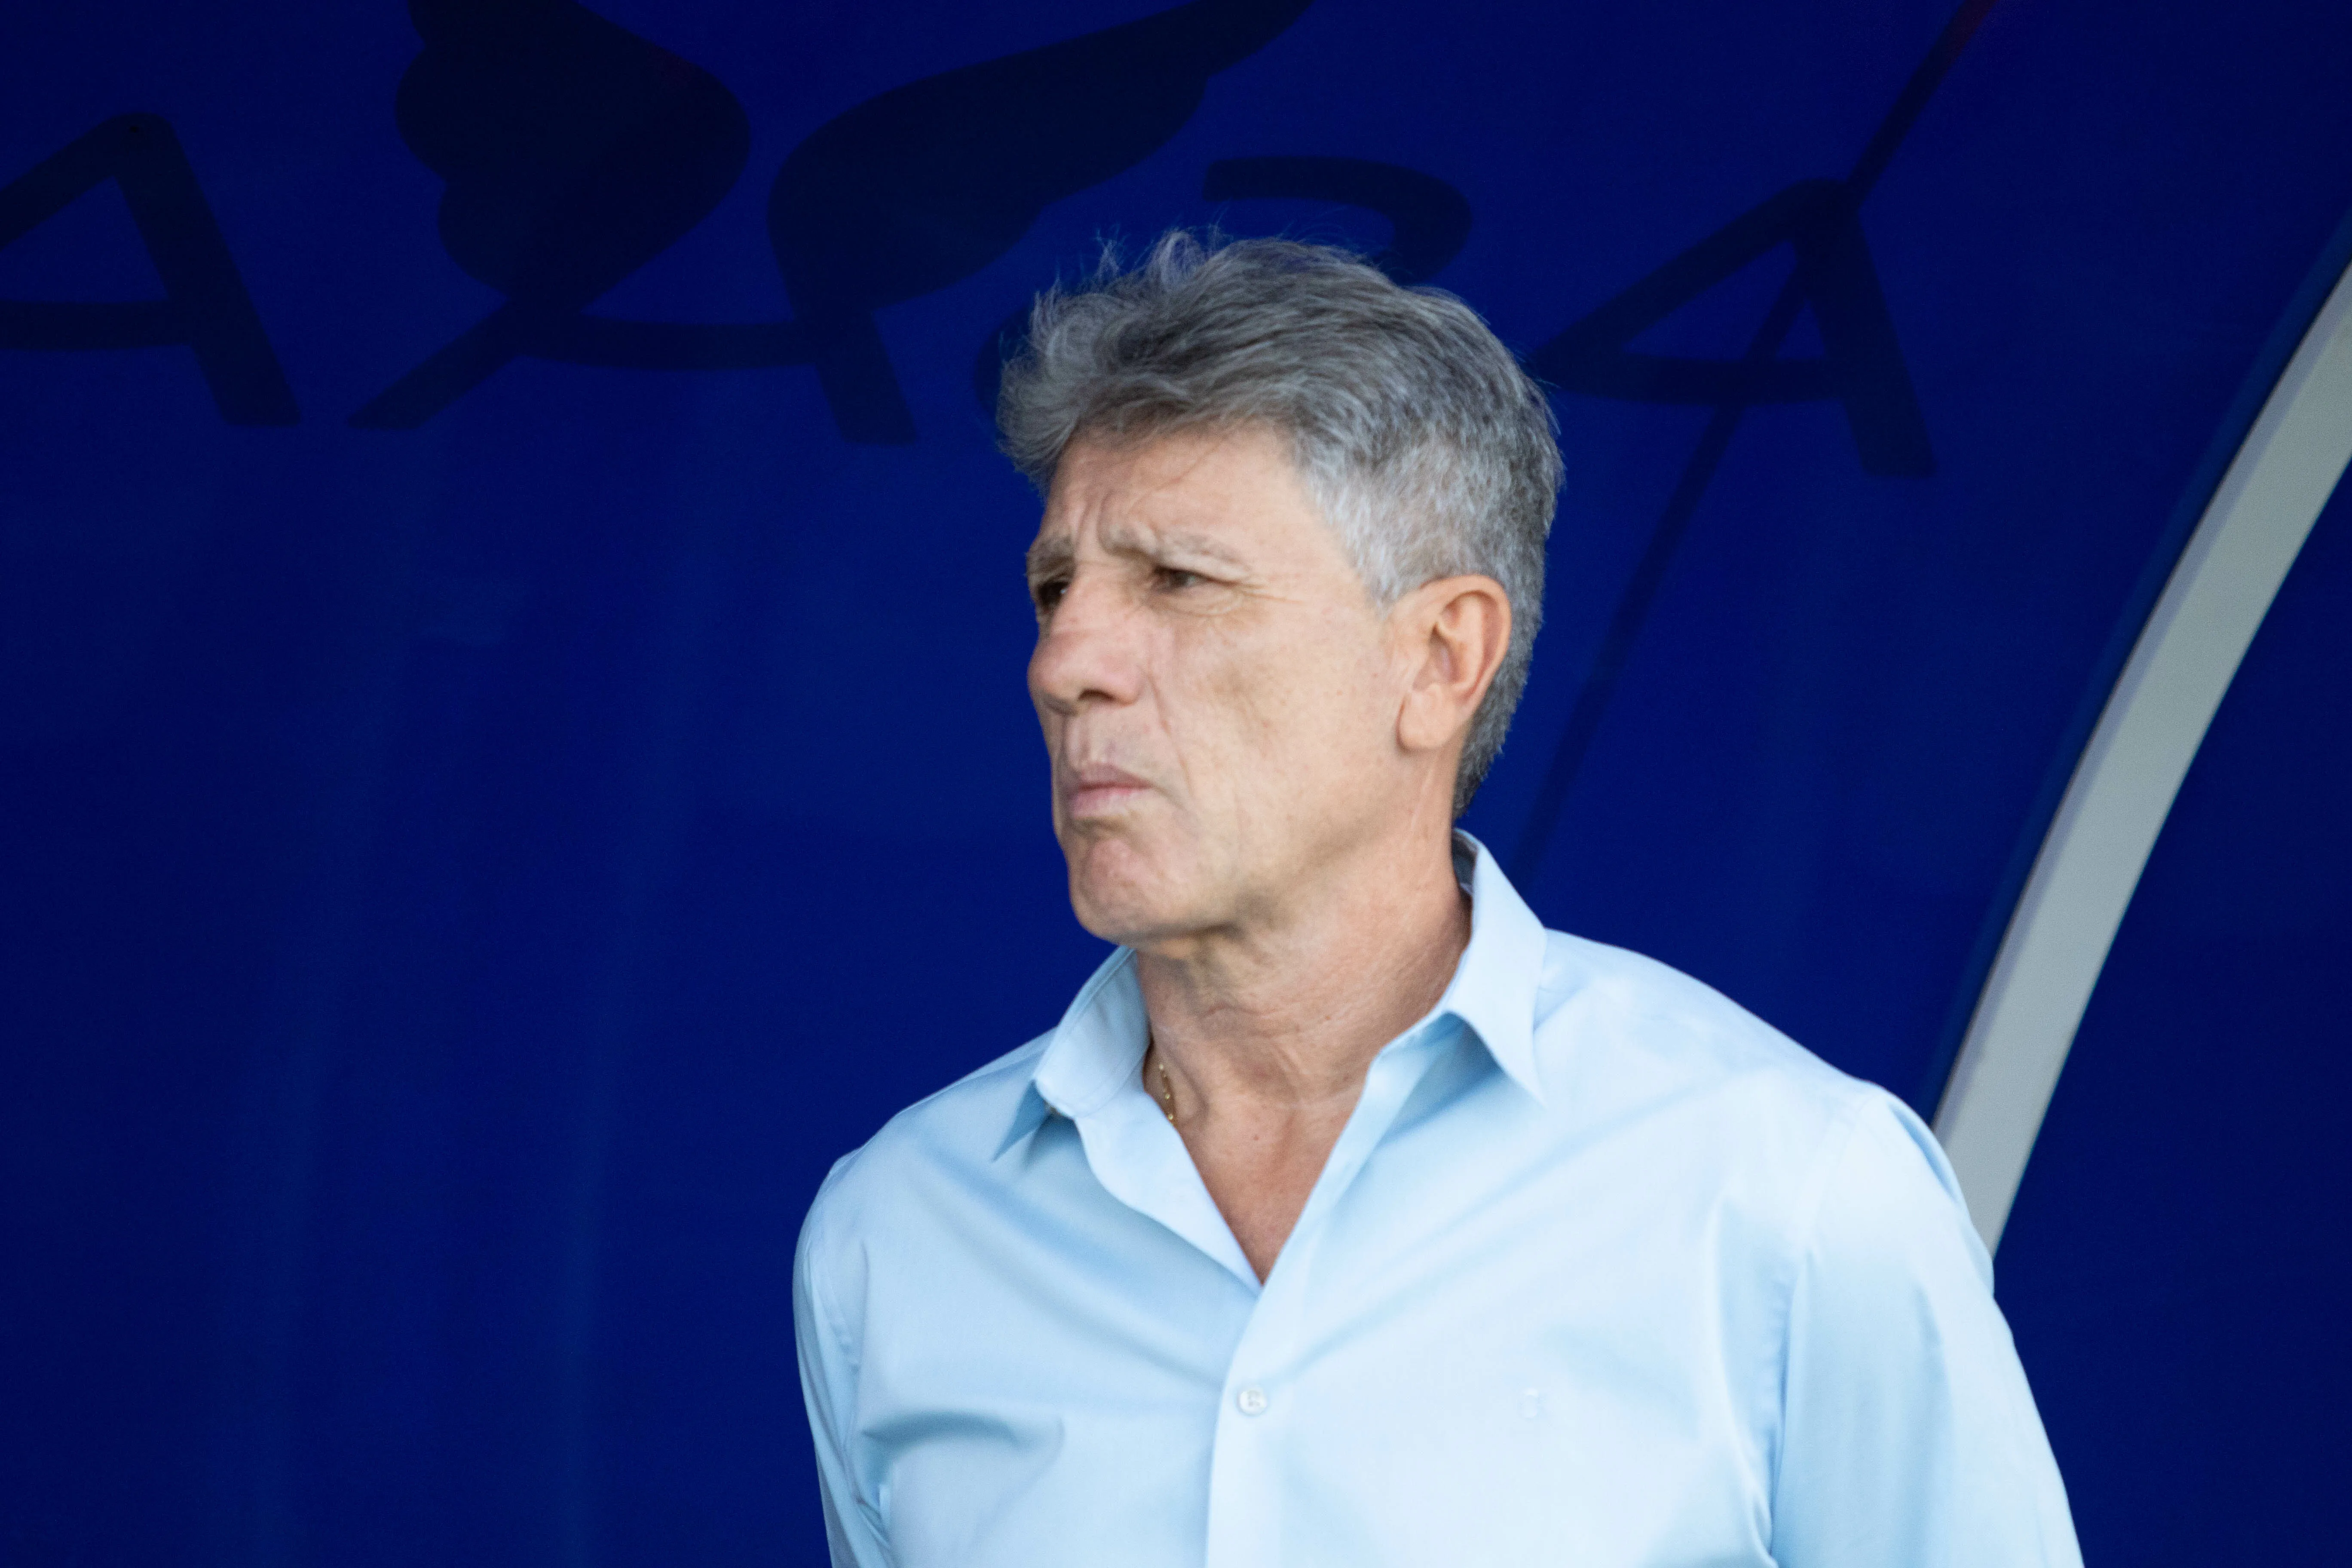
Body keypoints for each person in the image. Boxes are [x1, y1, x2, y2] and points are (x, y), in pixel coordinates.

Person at [792, 231, 2080, 1568]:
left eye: (1178, 581)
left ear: (1439, 657)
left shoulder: (1787, 1195)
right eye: (1057, 588)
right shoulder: (898, 1234)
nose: (1065, 663)